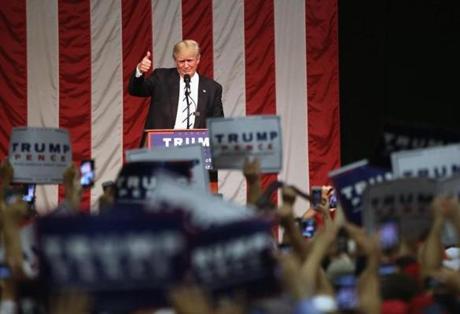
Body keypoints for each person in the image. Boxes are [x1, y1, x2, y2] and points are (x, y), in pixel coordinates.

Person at [128, 39, 224, 146]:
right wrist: (139, 71)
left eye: (190, 60)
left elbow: (217, 124)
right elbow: (136, 90)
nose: (186, 65)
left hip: (196, 148)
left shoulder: (212, 88)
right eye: (181, 61)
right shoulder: (161, 77)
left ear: (198, 59)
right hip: (161, 145)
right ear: (175, 60)